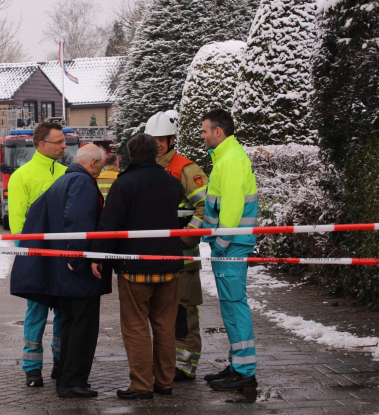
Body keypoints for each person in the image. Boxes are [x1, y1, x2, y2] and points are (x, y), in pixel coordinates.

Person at [90, 133, 186, 400]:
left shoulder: (124, 184)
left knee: (136, 327)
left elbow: (110, 225)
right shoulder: (172, 182)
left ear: (130, 155)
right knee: (165, 325)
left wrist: (98, 257)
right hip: (169, 265)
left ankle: (141, 385)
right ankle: (165, 382)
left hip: (135, 269)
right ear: (156, 153)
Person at [18, 144, 112, 398]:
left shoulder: (63, 181)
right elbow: (78, 220)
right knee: (84, 325)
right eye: (101, 167)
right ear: (93, 163)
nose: (101, 172)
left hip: (64, 268)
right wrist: (79, 256)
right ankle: (73, 381)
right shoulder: (82, 183)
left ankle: (66, 377)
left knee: (71, 323)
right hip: (78, 270)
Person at [145, 110, 208, 382]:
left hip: (183, 257)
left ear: (172, 140)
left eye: (163, 139)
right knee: (161, 314)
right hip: (157, 257)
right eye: (154, 139)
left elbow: (205, 206)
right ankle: (167, 363)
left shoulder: (186, 169)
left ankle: (185, 365)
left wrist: (186, 237)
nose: (158, 144)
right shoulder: (147, 167)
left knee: (184, 312)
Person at [199, 109, 259, 391]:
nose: (202, 135)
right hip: (229, 245)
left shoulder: (231, 160)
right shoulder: (226, 157)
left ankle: (245, 370)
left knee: (235, 306)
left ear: (218, 132)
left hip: (230, 246)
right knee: (231, 306)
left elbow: (232, 210)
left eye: (204, 131)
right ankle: (238, 364)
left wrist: (220, 245)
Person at [8, 121, 68, 388]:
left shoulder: (69, 174)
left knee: (65, 310)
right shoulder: (22, 176)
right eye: (59, 142)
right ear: (42, 145)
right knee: (37, 311)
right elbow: (18, 224)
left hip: (65, 255)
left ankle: (60, 363)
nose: (64, 146)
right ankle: (32, 369)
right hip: (38, 256)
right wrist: (30, 255)